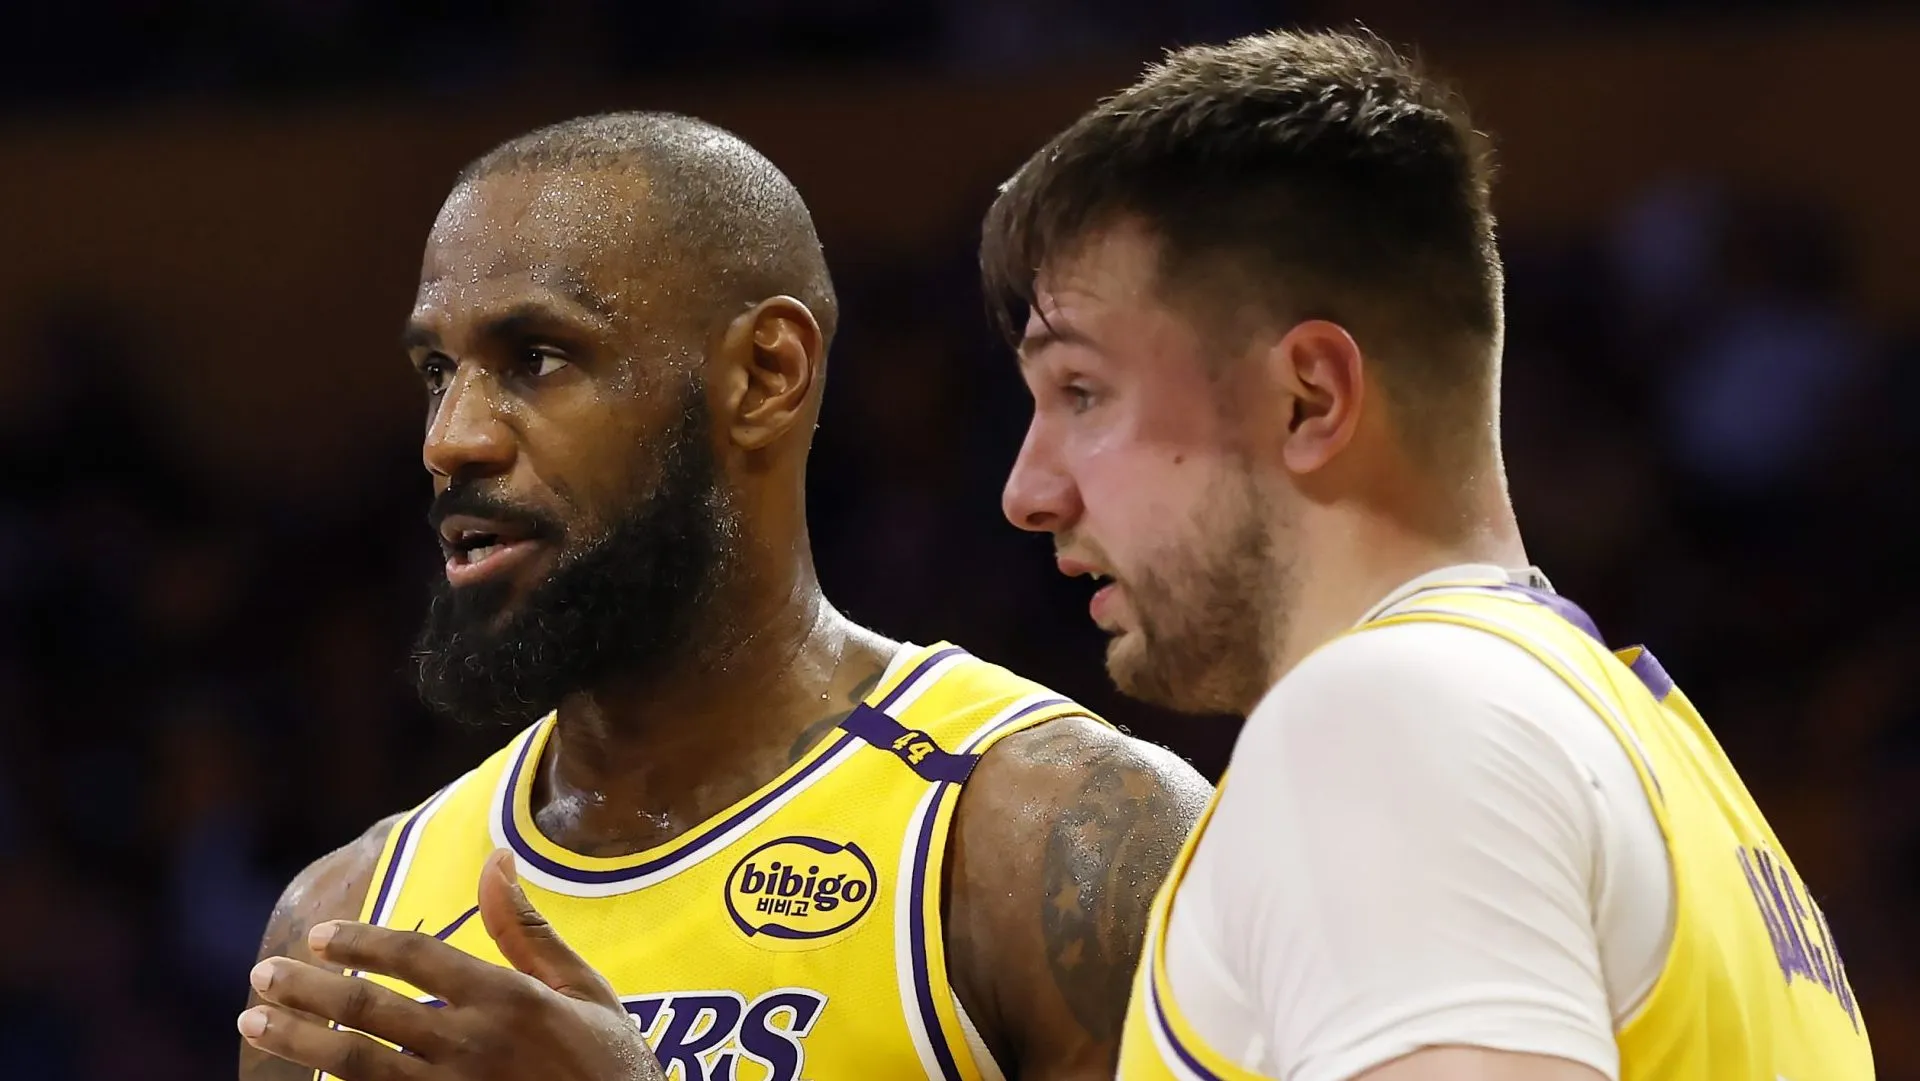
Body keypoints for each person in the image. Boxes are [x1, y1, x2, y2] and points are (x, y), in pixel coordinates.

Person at [235, 111, 1211, 1081]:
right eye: (438, 372)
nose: (450, 439)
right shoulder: (343, 920)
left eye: (537, 358)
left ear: (763, 375)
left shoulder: (1049, 840)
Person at [983, 29, 1873, 1081]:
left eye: (1083, 392)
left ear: (1309, 397)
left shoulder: (1383, 720)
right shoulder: (1649, 753)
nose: (1028, 491)